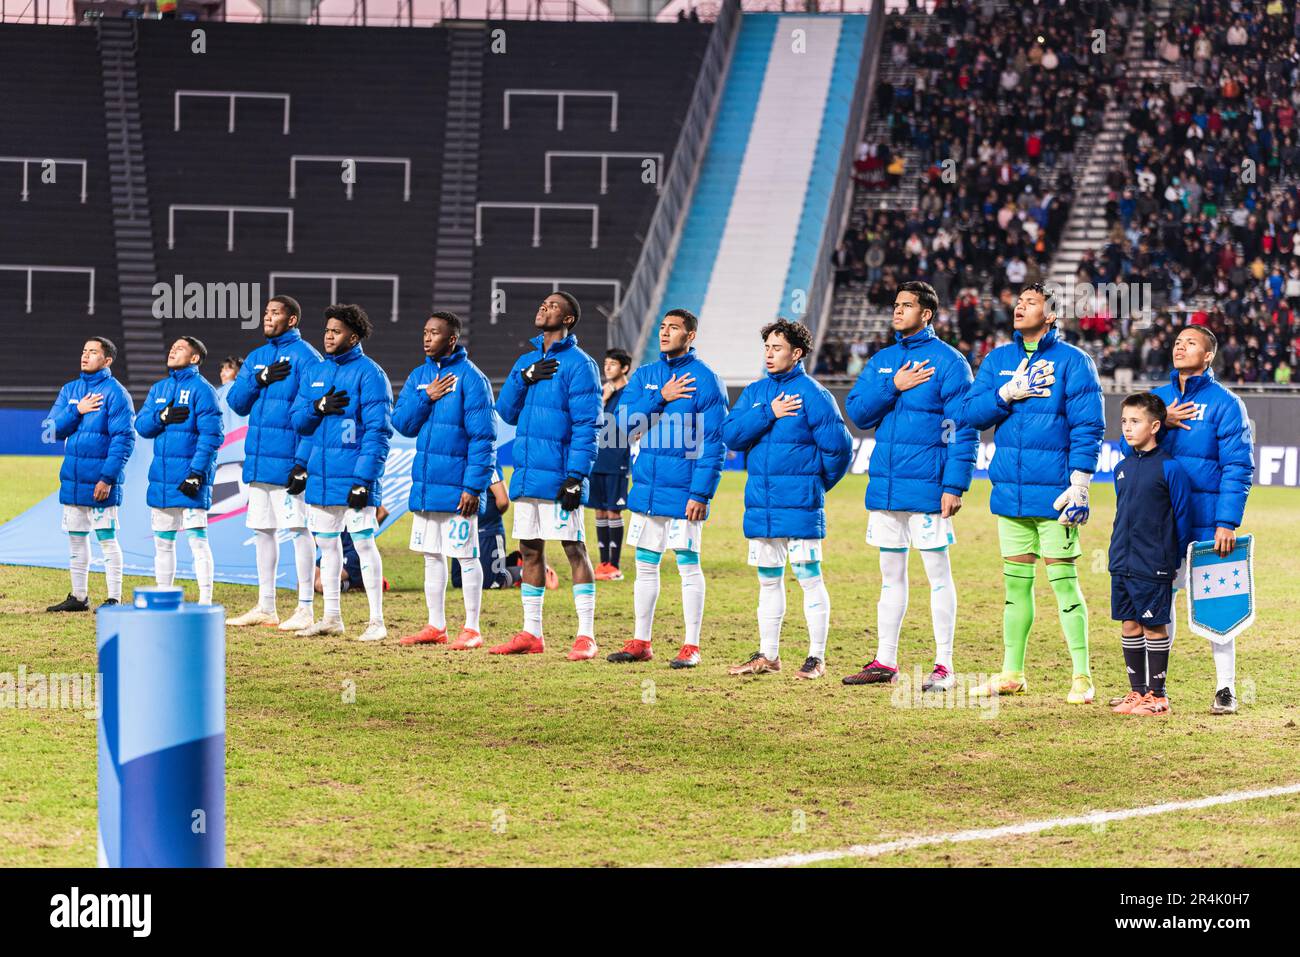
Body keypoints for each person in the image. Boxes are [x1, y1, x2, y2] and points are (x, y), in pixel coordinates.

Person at [962, 283, 1105, 704]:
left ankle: (1082, 676)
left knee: (1064, 585)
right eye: (1018, 302)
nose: (1020, 308)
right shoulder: (999, 360)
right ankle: (1012, 673)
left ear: (1052, 314)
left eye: (1031, 303)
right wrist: (1005, 394)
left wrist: (1080, 482)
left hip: (1055, 498)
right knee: (1015, 589)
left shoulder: (1075, 363)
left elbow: (1088, 427)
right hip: (1010, 495)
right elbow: (970, 413)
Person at [841, 281, 978, 692]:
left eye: (906, 306)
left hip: (928, 489)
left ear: (928, 314)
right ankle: (885, 660)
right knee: (889, 575)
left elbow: (962, 429)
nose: (897, 311)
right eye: (896, 305)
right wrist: (893, 386)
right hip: (885, 487)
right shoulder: (884, 361)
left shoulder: (951, 363)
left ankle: (945, 666)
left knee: (937, 574)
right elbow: (858, 412)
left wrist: (954, 484)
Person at [721, 319, 853, 680]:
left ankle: (816, 657)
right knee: (767, 580)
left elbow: (840, 450)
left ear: (796, 353)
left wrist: (815, 486)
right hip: (762, 505)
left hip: (800, 504)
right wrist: (769, 412)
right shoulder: (755, 393)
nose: (768, 353)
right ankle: (769, 654)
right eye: (766, 347)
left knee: (809, 577)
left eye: (776, 347)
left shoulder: (814, 394)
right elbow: (731, 435)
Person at [606, 308, 728, 668]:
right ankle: (641, 641)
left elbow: (714, 442)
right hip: (647, 489)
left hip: (684, 492)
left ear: (690, 336)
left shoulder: (707, 380)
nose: (664, 332)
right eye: (662, 326)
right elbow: (622, 429)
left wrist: (700, 493)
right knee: (645, 565)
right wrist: (660, 395)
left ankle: (692, 646)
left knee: (687, 566)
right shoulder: (646, 376)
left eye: (674, 328)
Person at [1140, 326, 1254, 714]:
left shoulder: (1226, 404)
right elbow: (1129, 443)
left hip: (1206, 524)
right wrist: (1160, 421)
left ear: (1208, 356)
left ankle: (1226, 688)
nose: (1179, 346)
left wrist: (1227, 522)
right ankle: (1156, 688)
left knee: (1217, 604)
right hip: (1163, 521)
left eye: (1190, 343)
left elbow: (1237, 467)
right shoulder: (1158, 400)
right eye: (1176, 342)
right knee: (1160, 602)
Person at [492, 292, 603, 660]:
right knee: (529, 550)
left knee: (574, 548)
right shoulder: (526, 361)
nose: (543, 307)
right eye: (542, 303)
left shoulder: (580, 365)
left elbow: (588, 425)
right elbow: (505, 411)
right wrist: (523, 378)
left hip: (559, 477)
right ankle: (531, 633)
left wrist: (576, 476)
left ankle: (586, 635)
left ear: (568, 319)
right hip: (526, 475)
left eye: (553, 305)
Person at [391, 311, 497, 650]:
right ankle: (436, 625)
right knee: (431, 555)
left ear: (451, 339)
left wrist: (473, 487)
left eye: (434, 333)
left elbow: (483, 439)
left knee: (465, 556)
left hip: (457, 489)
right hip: (425, 486)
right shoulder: (419, 376)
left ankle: (472, 628)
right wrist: (427, 396)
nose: (426, 338)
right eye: (424, 332)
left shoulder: (472, 379)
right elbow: (402, 424)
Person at [291, 304, 394, 642]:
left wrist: (364, 480)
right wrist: (317, 408)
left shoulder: (371, 374)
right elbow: (300, 423)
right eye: (327, 330)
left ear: (354, 335)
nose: (329, 335)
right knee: (328, 546)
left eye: (336, 331)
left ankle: (376, 621)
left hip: (353, 478)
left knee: (364, 544)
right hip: (321, 476)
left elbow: (378, 432)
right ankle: (332, 617)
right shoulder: (315, 372)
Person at [225, 296, 323, 632]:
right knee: (263, 531)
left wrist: (303, 462)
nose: (267, 317)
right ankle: (266, 607)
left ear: (292, 319)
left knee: (298, 530)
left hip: (288, 461)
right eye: (265, 312)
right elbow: (237, 403)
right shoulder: (256, 358)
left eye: (275, 312)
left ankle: (305, 608)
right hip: (259, 460)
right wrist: (258, 378)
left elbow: (315, 415)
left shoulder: (307, 357)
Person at [1109, 393, 1193, 717]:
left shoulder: (1171, 469)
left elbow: (1182, 519)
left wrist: (1170, 557)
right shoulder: (1121, 467)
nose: (1128, 428)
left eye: (1136, 421)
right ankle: (1137, 692)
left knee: (1154, 627)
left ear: (1155, 426)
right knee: (1129, 625)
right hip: (1122, 562)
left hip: (1153, 564)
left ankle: (1158, 697)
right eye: (1125, 422)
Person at [45, 337, 136, 613]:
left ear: (107, 360)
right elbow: (50, 430)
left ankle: (114, 598)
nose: (85, 356)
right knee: (76, 537)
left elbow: (124, 439)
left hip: (100, 481)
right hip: (73, 479)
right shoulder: (70, 389)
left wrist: (107, 478)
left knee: (106, 538)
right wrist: (76, 410)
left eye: (93, 352)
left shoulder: (117, 394)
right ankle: (79, 597)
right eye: (84, 350)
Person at [134, 336, 224, 605]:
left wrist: (196, 473)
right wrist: (161, 416)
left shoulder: (203, 390)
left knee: (197, 540)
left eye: (180, 348)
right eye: (172, 347)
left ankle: (206, 600)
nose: (173, 350)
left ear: (195, 358)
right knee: (163, 542)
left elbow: (212, 436)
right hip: (163, 479)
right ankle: (164, 595)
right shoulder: (159, 388)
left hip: (190, 479)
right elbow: (141, 426)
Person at [592, 348, 632, 581]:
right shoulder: (600, 393)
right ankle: (602, 563)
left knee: (612, 510)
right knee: (599, 509)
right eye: (605, 363)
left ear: (624, 368)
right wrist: (602, 400)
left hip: (617, 460)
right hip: (597, 459)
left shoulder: (629, 393)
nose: (607, 367)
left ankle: (614, 566)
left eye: (612, 364)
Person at [314, 506, 390, 594]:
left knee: (321, 585)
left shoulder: (359, 493)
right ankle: (361, 578)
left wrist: (368, 532)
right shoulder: (334, 496)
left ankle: (357, 583)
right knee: (307, 581)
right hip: (336, 549)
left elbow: (383, 512)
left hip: (353, 553)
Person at [214, 355, 247, 435]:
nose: (222, 374)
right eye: (222, 370)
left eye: (227, 370)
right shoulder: (218, 392)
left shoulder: (219, 392)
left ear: (238, 373)